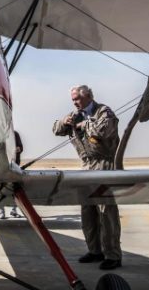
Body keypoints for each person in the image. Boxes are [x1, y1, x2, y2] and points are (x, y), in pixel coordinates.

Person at [52, 85, 122, 270]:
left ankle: (113, 255)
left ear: (89, 96)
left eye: (77, 99)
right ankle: (94, 251)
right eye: (73, 100)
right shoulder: (75, 114)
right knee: (88, 212)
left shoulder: (103, 112)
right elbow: (56, 130)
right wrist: (64, 122)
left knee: (106, 213)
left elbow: (102, 131)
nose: (75, 102)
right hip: (86, 166)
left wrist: (85, 124)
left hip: (104, 165)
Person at [0, 131, 23, 219]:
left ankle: (14, 211)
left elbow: (21, 147)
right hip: (2, 167)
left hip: (14, 166)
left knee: (15, 189)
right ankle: (2, 212)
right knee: (1, 190)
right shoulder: (0, 134)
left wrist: (18, 149)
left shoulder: (15, 134)